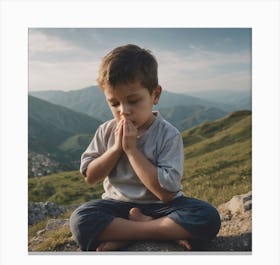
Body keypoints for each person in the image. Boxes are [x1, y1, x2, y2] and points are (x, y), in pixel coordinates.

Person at [70, 44, 221, 251]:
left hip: (164, 208)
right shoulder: (106, 131)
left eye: (133, 101)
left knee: (207, 217)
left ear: (155, 95)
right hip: (118, 206)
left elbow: (166, 194)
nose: (124, 111)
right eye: (114, 104)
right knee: (81, 220)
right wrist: (115, 149)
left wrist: (132, 151)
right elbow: (90, 177)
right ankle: (162, 231)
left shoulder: (168, 134)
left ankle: (129, 233)